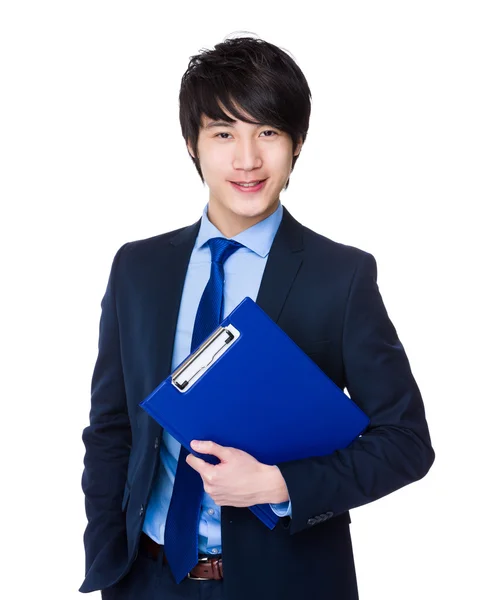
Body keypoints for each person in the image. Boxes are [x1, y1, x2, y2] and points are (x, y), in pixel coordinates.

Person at [80, 34, 435, 600]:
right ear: (193, 145)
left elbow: (406, 442)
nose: (247, 160)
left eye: (267, 132)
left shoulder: (339, 276)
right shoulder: (138, 268)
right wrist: (107, 559)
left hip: (288, 581)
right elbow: (111, 430)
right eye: (223, 134)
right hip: (147, 580)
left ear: (297, 144)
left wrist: (277, 484)